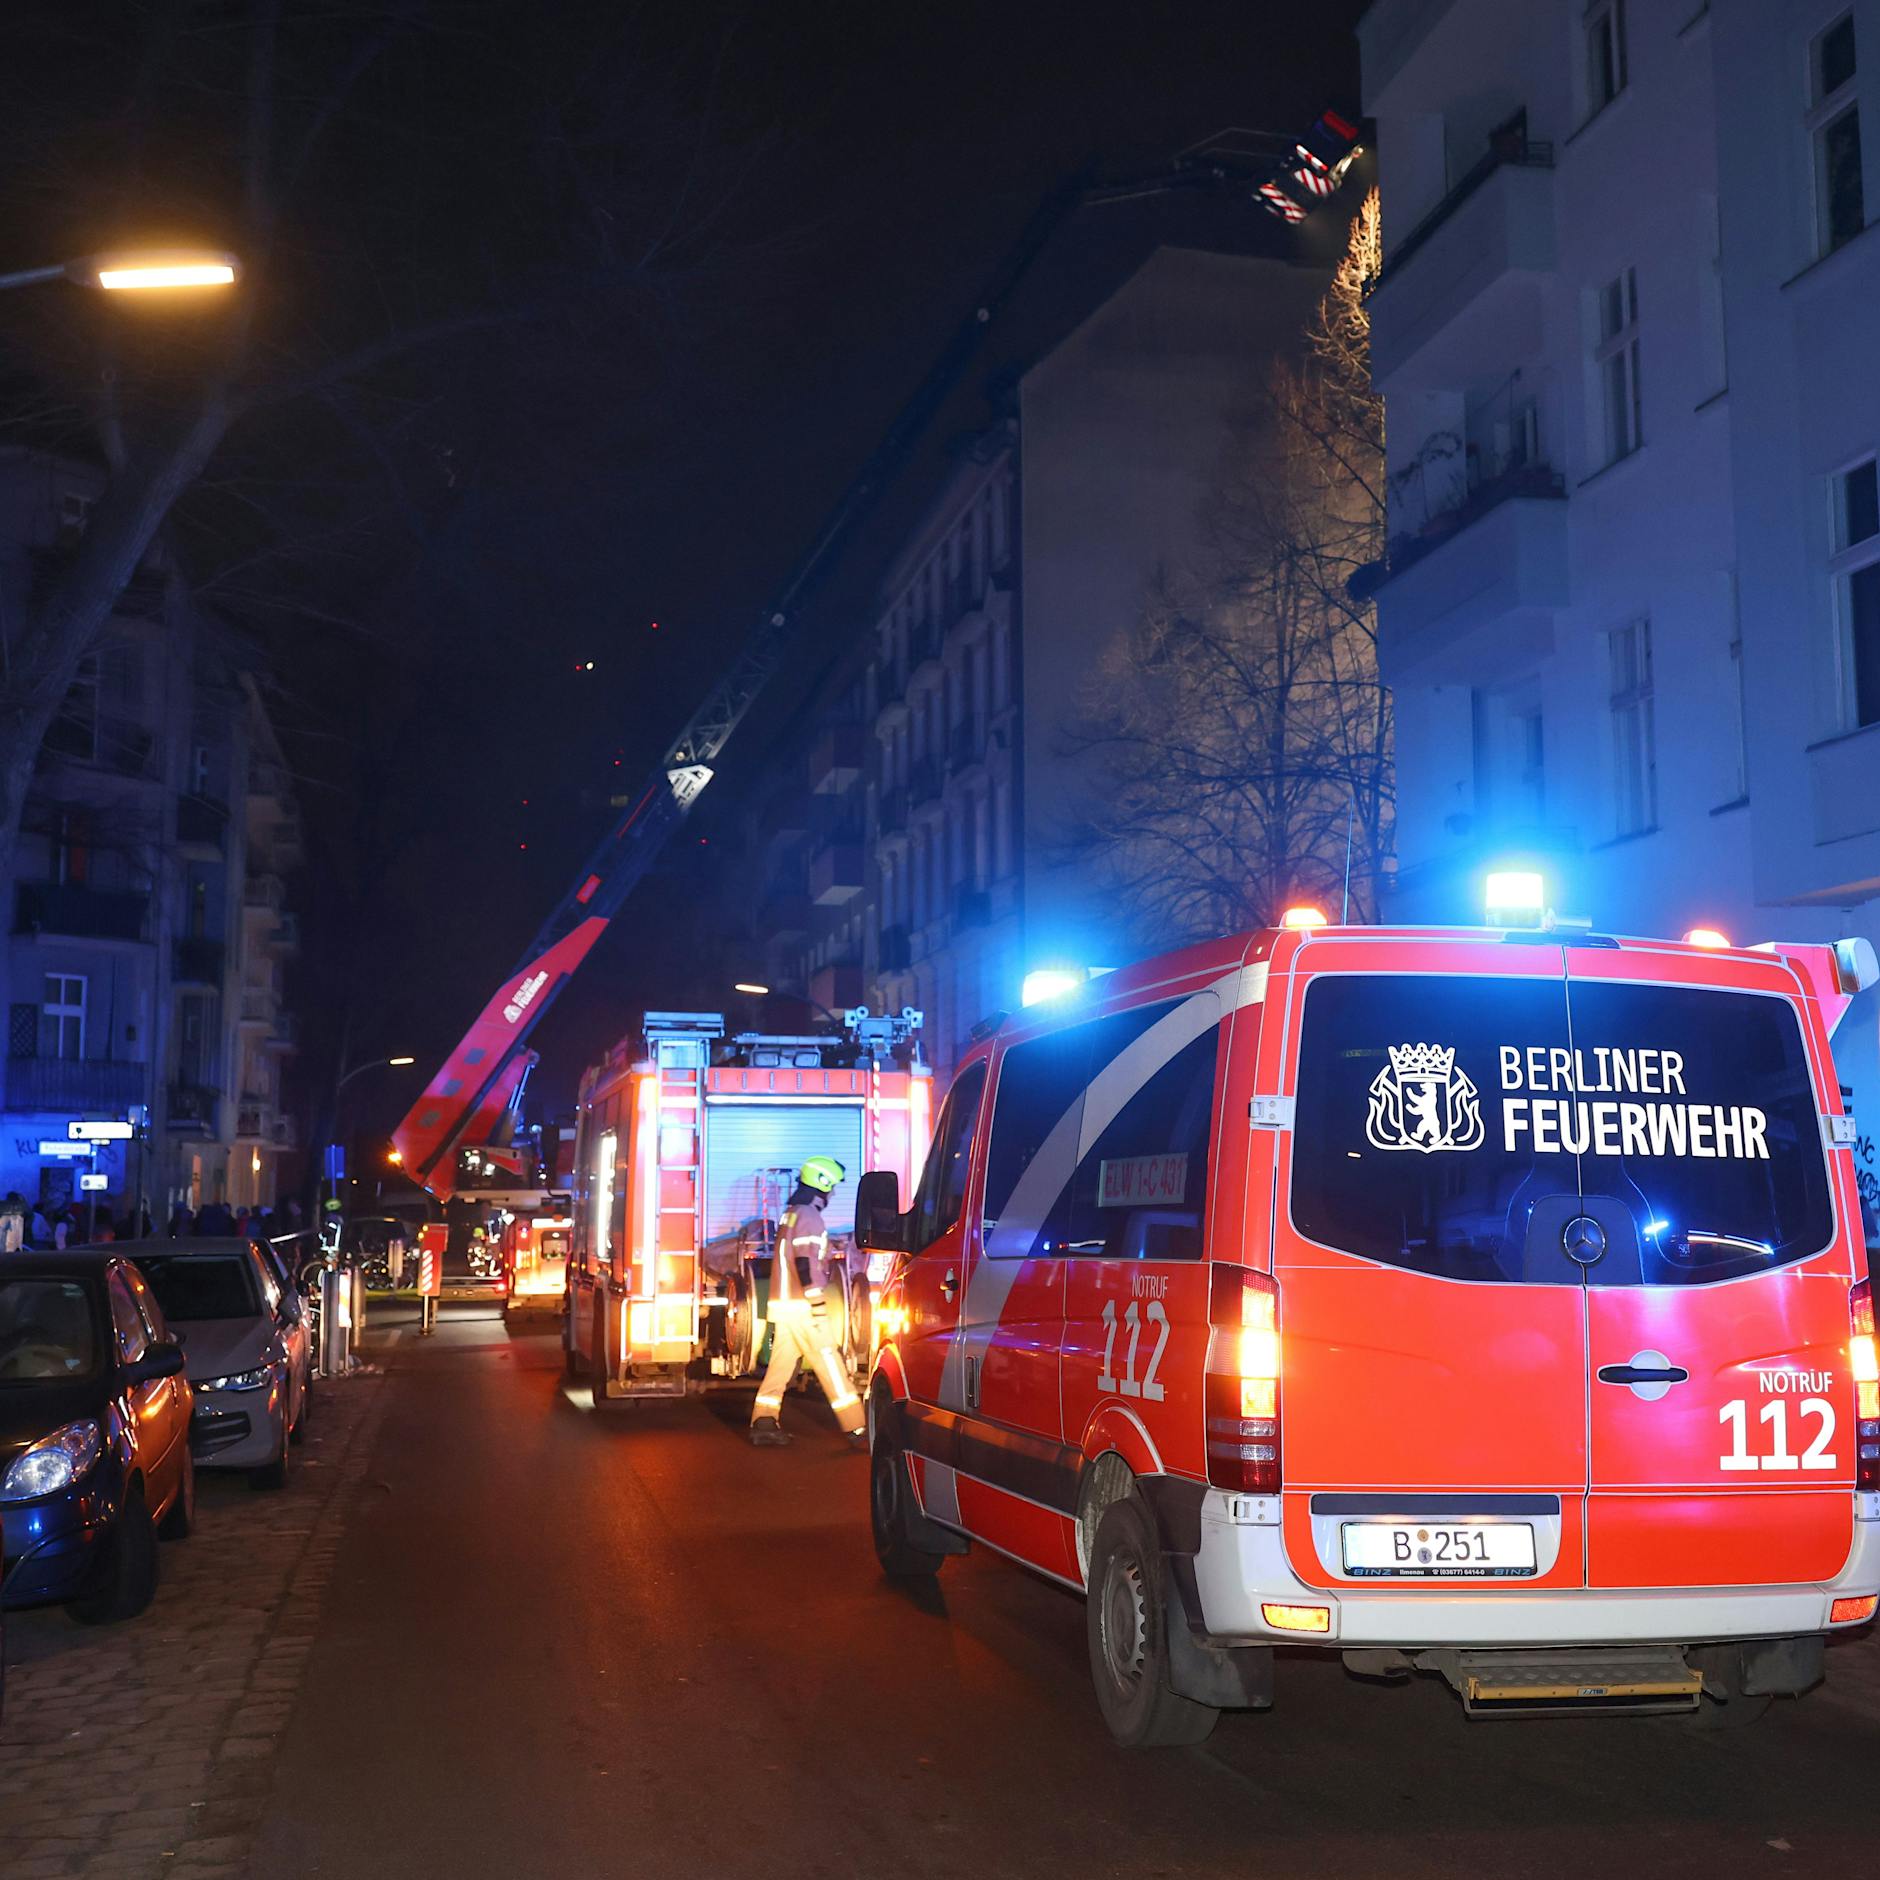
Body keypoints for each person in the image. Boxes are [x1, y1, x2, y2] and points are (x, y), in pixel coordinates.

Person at [750, 1156, 864, 1448]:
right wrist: (817, 1303)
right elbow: (804, 1264)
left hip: (784, 1305)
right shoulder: (811, 1217)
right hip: (803, 1307)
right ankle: (857, 1428)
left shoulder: (792, 1213)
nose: (833, 1193)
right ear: (822, 1185)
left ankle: (764, 1421)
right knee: (830, 1362)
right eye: (832, 1187)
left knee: (781, 1365)